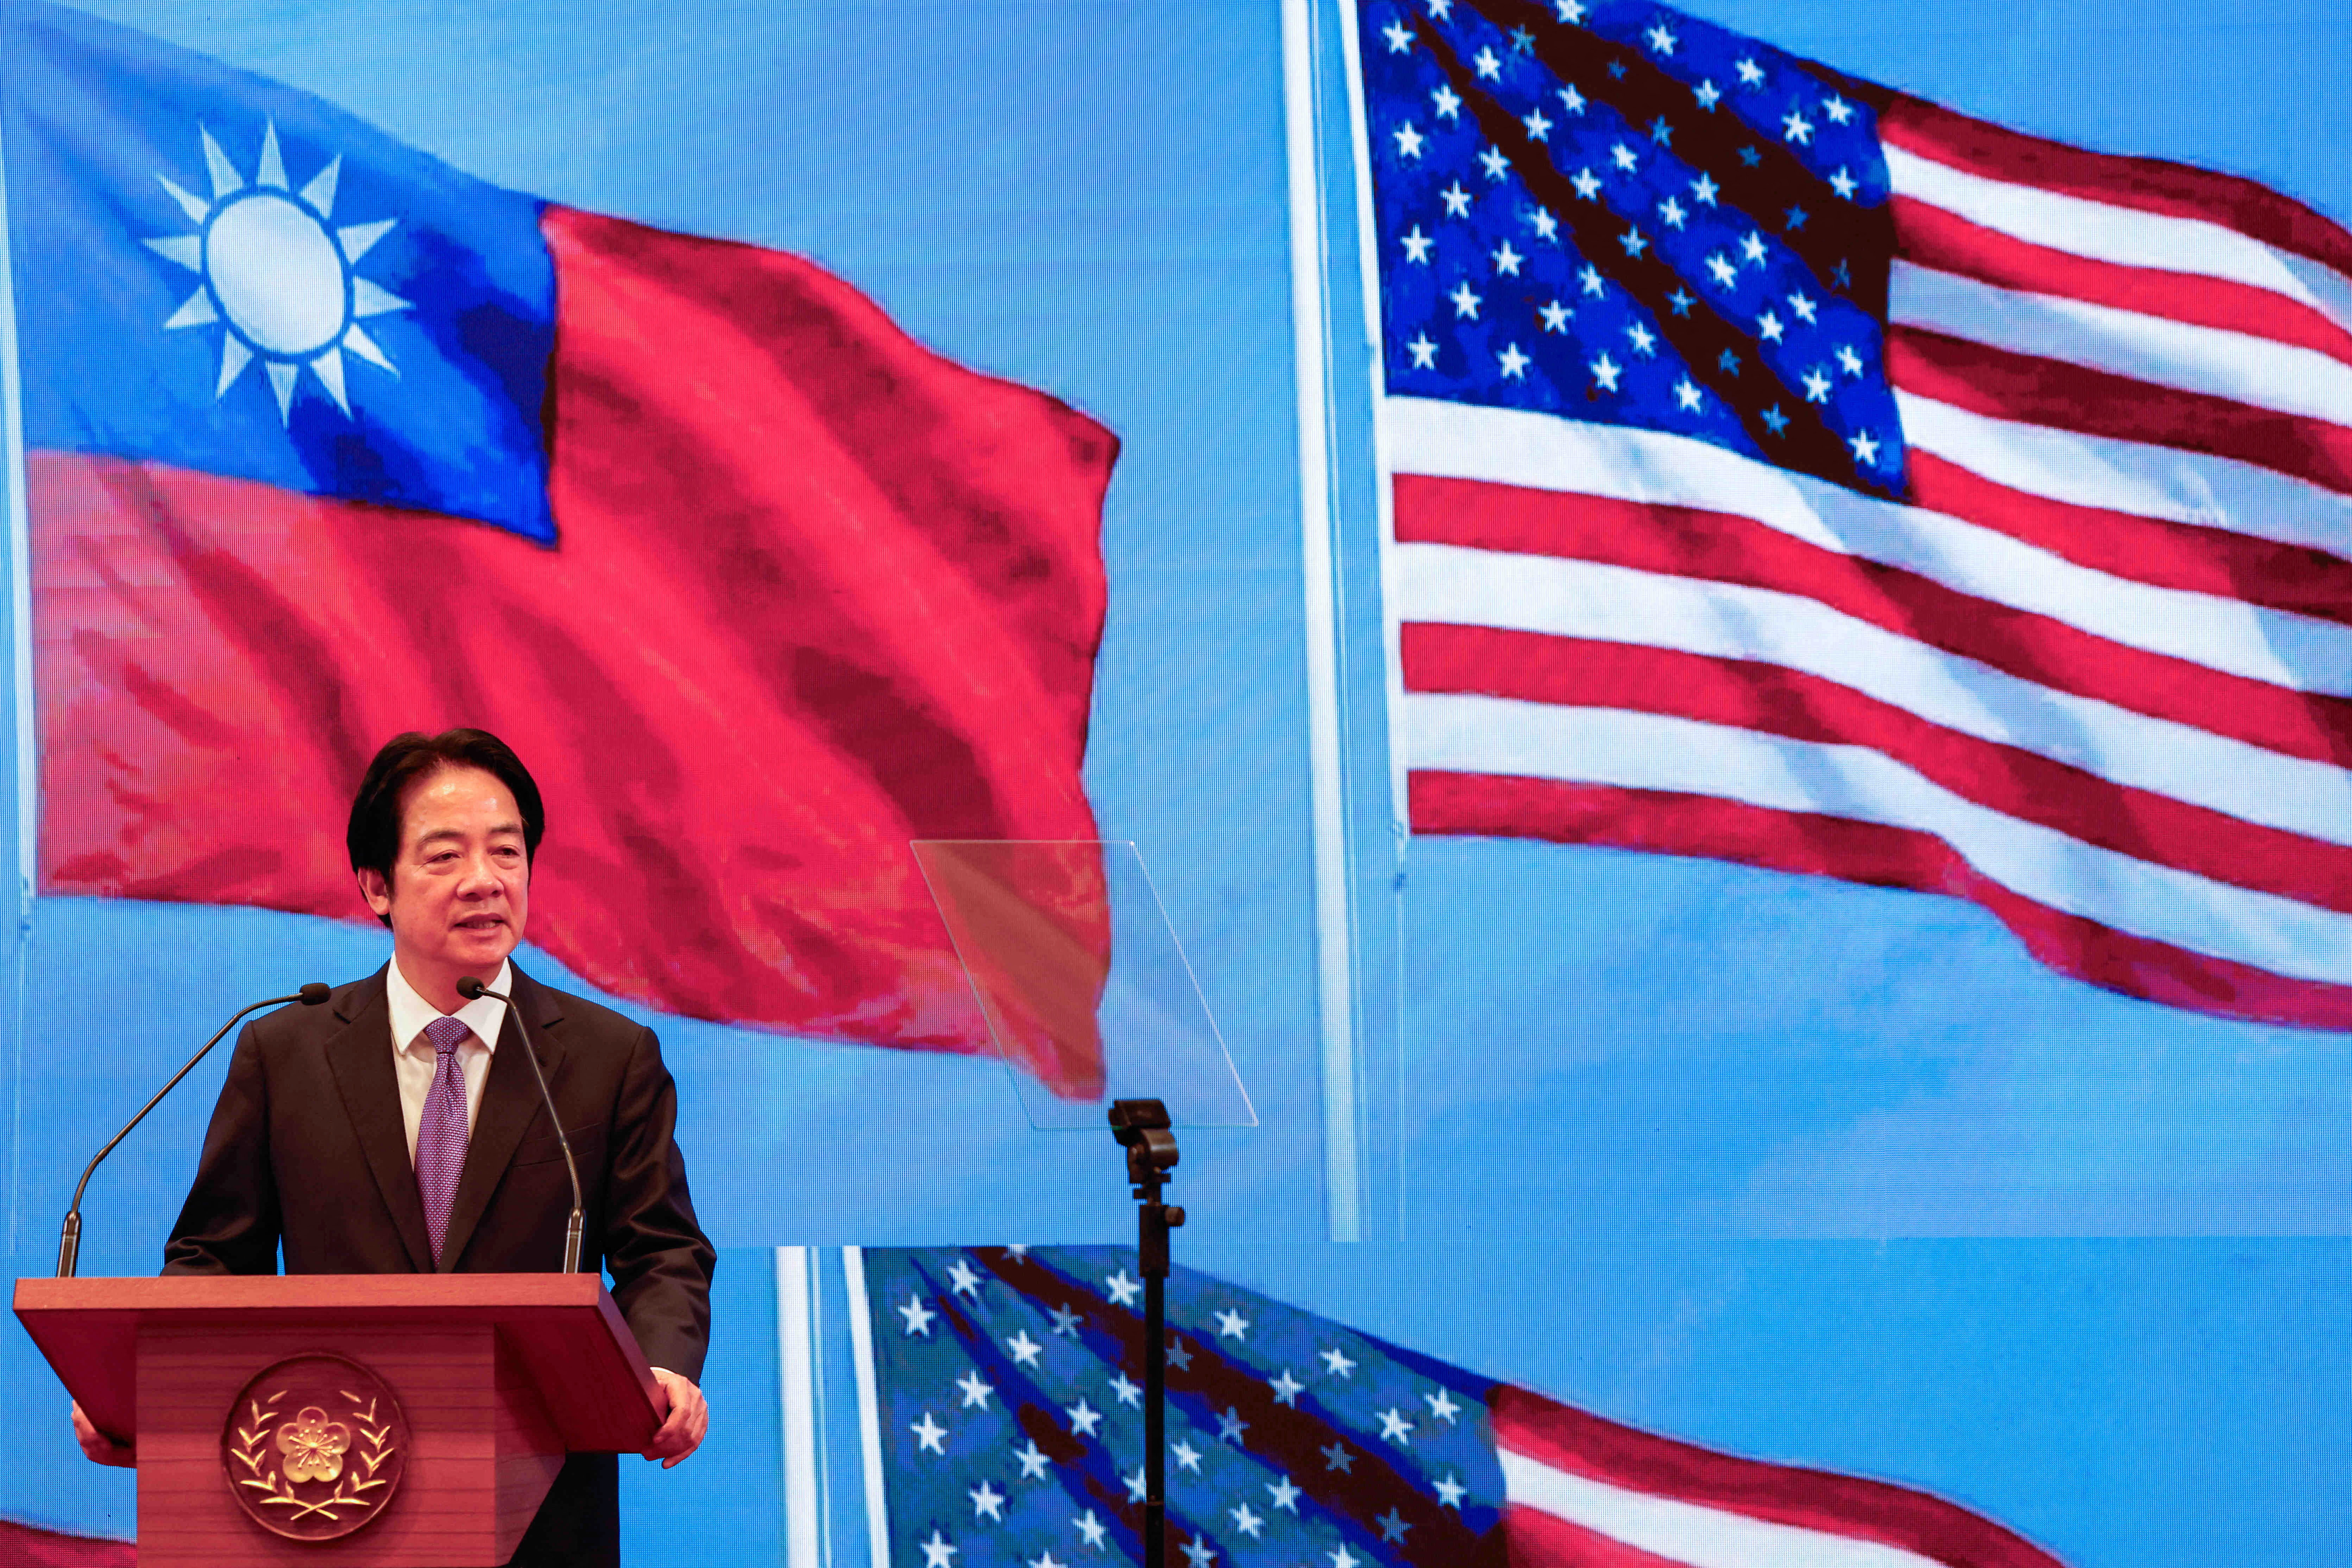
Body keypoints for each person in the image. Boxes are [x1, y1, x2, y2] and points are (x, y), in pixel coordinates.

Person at [70, 728, 716, 1567]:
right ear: (377, 886)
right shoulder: (285, 1052)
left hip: (543, 1516)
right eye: (445, 855)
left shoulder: (606, 1056)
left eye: (508, 852)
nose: (485, 881)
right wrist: (145, 1391)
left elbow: (662, 1250)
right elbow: (213, 1258)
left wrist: (660, 1369)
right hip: (323, 1501)